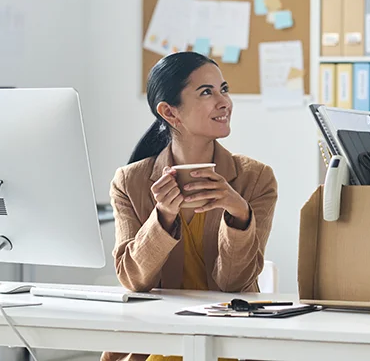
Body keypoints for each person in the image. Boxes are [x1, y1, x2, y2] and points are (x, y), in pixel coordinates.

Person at [102, 52, 278, 361]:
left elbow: (234, 283)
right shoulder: (129, 182)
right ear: (170, 113)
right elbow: (133, 280)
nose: (224, 102)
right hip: (160, 342)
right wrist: (163, 217)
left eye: (223, 89)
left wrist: (239, 214)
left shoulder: (255, 179)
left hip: (230, 344)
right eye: (207, 92)